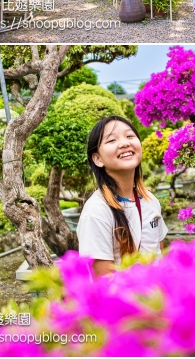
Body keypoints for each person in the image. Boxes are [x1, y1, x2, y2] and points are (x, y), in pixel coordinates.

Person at [76, 116, 169, 277]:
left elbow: (160, 256)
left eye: (130, 136)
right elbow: (103, 283)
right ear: (97, 159)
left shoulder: (150, 201)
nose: (125, 143)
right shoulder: (96, 212)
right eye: (111, 140)